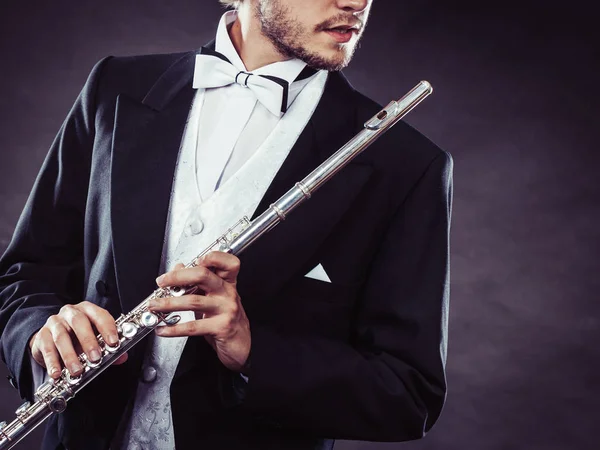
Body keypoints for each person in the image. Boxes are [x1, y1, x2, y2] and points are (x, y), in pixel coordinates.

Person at [0, 0, 453, 449]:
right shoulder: (115, 87)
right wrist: (43, 332)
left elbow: (408, 395)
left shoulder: (405, 163)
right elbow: (24, 275)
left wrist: (253, 351)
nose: (355, 2)